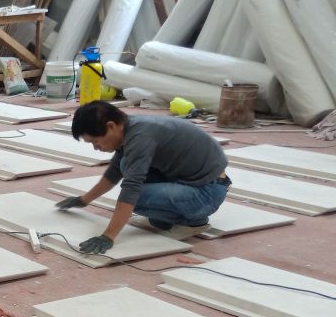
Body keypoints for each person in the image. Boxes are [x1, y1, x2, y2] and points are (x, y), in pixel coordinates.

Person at [57, 100, 231, 253]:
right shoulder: (129, 128)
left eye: (95, 141)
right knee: (125, 164)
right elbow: (114, 171)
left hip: (207, 192)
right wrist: (84, 200)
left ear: (111, 126)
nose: (96, 147)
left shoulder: (140, 136)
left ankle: (194, 222)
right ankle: (165, 221)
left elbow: (131, 188)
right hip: (197, 182)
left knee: (137, 198)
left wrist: (107, 237)